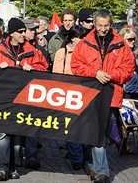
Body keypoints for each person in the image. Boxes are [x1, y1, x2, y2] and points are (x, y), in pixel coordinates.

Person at [71, 9, 135, 183]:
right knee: (97, 133)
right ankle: (102, 171)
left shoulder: (121, 44)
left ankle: (93, 164)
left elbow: (129, 70)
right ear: (94, 24)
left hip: (112, 95)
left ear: (111, 24)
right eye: (99, 25)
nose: (103, 29)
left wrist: (110, 75)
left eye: (106, 26)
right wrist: (95, 73)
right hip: (90, 94)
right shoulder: (84, 44)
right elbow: (76, 66)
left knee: (104, 135)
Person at [0, 18, 48, 180]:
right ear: (12, 33)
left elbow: (45, 69)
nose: (24, 34)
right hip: (3, 98)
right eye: (20, 32)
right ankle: (2, 168)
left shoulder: (33, 51)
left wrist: (33, 69)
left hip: (24, 99)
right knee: (3, 134)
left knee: (17, 134)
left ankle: (12, 167)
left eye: (24, 31)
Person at [52, 25, 87, 170]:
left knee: (84, 127)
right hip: (68, 95)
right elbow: (56, 75)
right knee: (72, 128)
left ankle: (83, 155)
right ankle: (77, 159)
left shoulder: (87, 52)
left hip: (84, 94)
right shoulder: (62, 52)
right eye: (81, 38)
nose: (84, 40)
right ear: (73, 38)